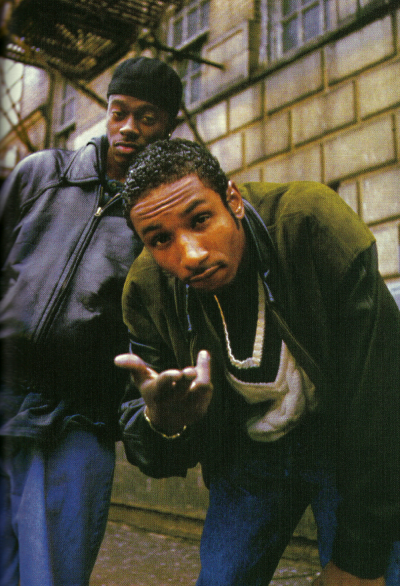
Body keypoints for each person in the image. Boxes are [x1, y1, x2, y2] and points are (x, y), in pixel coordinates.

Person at [115, 138, 400, 585]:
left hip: (344, 442)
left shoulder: (309, 224)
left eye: (200, 220)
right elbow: (155, 451)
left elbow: (381, 394)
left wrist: (358, 561)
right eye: (161, 240)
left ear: (233, 200)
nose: (191, 255)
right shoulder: (146, 290)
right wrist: (162, 422)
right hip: (248, 459)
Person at [0, 57, 182, 586]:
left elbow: (156, 320)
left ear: (168, 126)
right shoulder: (41, 174)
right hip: (6, 393)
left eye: (147, 118)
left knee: (51, 572)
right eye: (119, 112)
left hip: (79, 417)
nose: (129, 128)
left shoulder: (161, 215)